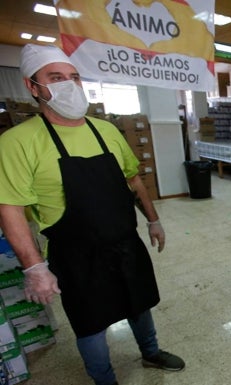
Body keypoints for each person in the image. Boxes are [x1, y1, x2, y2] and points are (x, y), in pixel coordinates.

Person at [0, 44, 184, 385]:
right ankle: (104, 379)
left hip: (125, 242)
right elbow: (9, 207)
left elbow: (134, 179)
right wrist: (35, 267)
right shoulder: (18, 142)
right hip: (76, 255)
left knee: (139, 304)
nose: (70, 85)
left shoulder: (107, 131)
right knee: (91, 323)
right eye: (56, 78)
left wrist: (153, 220)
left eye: (74, 77)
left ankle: (151, 352)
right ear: (33, 86)